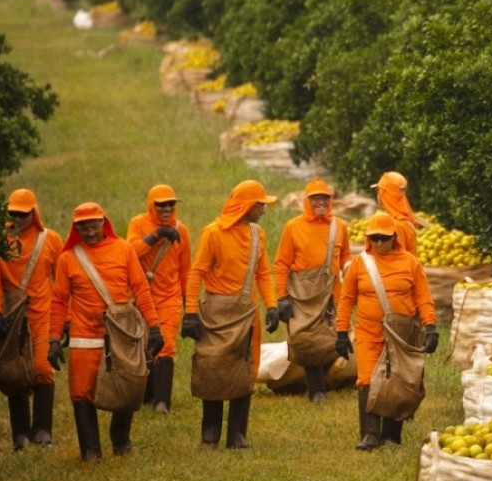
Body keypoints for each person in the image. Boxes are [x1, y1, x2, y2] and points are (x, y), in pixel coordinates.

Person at [48, 202, 163, 462]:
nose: (90, 232)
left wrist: (154, 327)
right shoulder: (68, 258)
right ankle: (90, 451)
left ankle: (120, 439)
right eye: (84, 228)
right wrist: (54, 339)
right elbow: (58, 301)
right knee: (81, 393)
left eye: (94, 226)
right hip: (83, 337)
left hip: (122, 333)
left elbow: (141, 290)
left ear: (104, 223)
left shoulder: (124, 250)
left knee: (129, 385)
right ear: (75, 228)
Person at [181, 180, 280, 449]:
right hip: (215, 311)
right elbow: (197, 272)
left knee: (243, 369)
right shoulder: (213, 233)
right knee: (211, 368)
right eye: (260, 204)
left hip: (247, 313)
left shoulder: (258, 234)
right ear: (246, 205)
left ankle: (237, 435)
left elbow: (263, 272)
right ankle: (209, 435)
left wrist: (272, 306)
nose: (264, 209)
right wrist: (190, 313)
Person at [334, 212, 438, 450]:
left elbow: (423, 298)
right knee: (367, 379)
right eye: (374, 238)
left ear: (394, 237)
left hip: (401, 335)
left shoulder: (410, 263)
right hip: (368, 332)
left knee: (398, 381)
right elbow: (347, 299)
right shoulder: (361, 263)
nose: (379, 243)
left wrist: (430, 327)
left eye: (384, 238)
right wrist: (341, 332)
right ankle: (370, 434)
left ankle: (391, 434)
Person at [0, 189, 63, 451]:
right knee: (13, 370)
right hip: (11, 317)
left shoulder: (49, 240)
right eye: (13, 214)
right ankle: (20, 435)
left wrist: (67, 319)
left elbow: (62, 283)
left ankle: (42, 431)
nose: (18, 219)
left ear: (34, 212)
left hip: (43, 314)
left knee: (43, 369)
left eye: (23, 214)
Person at [272, 178, 351, 404]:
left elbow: (345, 255)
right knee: (305, 340)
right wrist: (282, 298)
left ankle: (322, 385)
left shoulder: (340, 226)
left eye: (324, 198)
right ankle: (316, 390)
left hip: (331, 293)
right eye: (315, 198)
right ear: (306, 201)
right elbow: (280, 264)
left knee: (332, 339)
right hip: (301, 294)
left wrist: (347, 268)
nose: (320, 202)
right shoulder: (293, 227)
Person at [127, 184, 191, 413]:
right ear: (151, 205)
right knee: (143, 344)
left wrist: (189, 306)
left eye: (171, 204)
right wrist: (157, 235)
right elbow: (131, 252)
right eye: (161, 204)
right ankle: (146, 395)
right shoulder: (137, 223)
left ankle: (162, 401)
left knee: (167, 345)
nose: (166, 208)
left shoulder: (181, 230)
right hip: (142, 296)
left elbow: (185, 269)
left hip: (169, 297)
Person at [371, 171, 422, 257]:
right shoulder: (404, 220)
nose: (377, 194)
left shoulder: (394, 225)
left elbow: (395, 260)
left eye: (378, 190)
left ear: (383, 193)